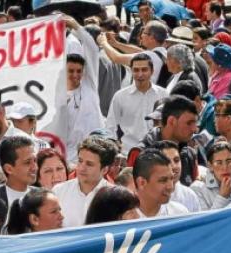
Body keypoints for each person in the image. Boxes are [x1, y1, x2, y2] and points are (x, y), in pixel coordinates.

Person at [128, 95, 199, 186]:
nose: (194, 129)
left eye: (195, 123)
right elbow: (132, 193)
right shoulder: (139, 153)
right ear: (172, 121)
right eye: (189, 123)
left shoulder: (189, 154)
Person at [106, 54, 169, 155]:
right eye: (136, 70)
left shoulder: (163, 94)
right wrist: (115, 149)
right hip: (128, 153)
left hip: (157, 153)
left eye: (144, 70)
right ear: (131, 71)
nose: (140, 74)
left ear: (152, 71)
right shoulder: (120, 96)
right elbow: (110, 126)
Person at [62, 16, 105, 163]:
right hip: (70, 158)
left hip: (98, 153)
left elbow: (92, 48)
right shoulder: (57, 96)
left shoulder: (89, 85)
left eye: (79, 71)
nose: (76, 75)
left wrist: (75, 25)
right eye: (71, 71)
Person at [52, 137, 116, 227]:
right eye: (80, 161)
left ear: (105, 169)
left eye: (89, 164)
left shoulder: (115, 198)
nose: (82, 168)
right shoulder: (59, 191)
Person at [0, 136, 38, 232]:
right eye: (27, 162)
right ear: (9, 169)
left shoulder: (43, 196)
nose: (34, 167)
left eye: (35, 160)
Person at [100, 20, 170, 86]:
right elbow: (140, 51)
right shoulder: (163, 53)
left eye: (144, 33)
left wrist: (103, 42)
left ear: (151, 37)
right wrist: (116, 44)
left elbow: (116, 58)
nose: (141, 36)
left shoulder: (149, 56)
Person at [133, 149, 188, 217]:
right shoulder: (120, 218)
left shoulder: (180, 214)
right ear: (141, 183)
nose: (170, 186)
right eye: (163, 180)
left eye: (171, 178)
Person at [191, 141, 231, 209]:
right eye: (219, 163)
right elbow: (205, 219)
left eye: (229, 161)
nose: (225, 167)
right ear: (210, 166)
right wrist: (223, 197)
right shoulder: (197, 188)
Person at [153, 141, 200, 212]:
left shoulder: (190, 195)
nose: (174, 166)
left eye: (176, 160)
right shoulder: (148, 196)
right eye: (167, 161)